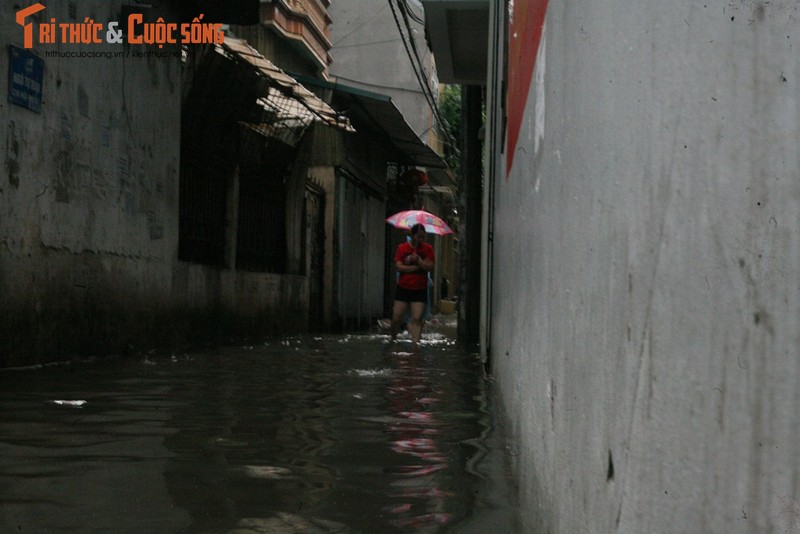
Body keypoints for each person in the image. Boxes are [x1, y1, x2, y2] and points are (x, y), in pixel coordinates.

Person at [391, 223, 435, 345]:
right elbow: (399, 267)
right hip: (403, 287)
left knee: (417, 318)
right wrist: (417, 267)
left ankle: (415, 343)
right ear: (413, 235)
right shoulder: (402, 248)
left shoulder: (428, 249)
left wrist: (419, 260)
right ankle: (393, 339)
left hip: (419, 289)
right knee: (396, 318)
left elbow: (430, 266)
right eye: (419, 236)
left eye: (423, 237)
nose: (421, 239)